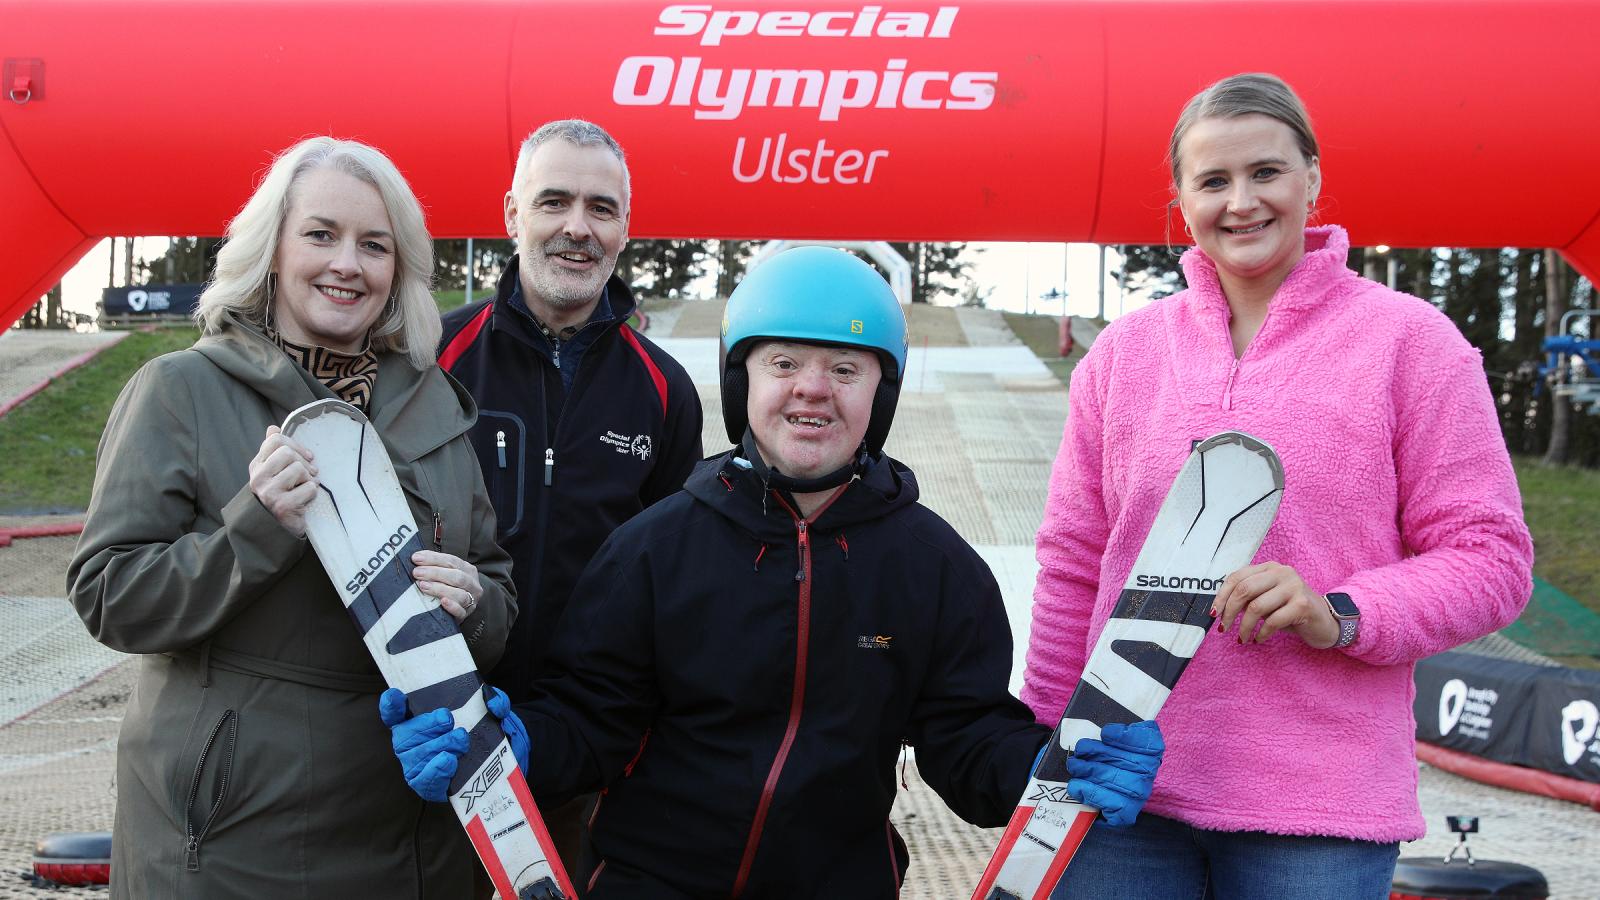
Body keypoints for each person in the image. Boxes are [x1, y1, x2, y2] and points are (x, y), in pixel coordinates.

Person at [384, 247, 1167, 898]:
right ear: (742, 383)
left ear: (881, 393)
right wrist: (511, 745)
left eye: (846, 368)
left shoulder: (934, 567)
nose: (812, 390)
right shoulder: (654, 549)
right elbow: (592, 720)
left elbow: (964, 742)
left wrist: (1044, 769)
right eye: (783, 362)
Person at [1024, 72, 1535, 899]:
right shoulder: (1124, 355)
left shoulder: (1411, 342)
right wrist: (1044, 742)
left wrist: (1338, 614)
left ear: (1313, 177)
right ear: (1181, 198)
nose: (1242, 202)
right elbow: (1074, 561)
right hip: (1119, 795)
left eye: (1266, 172)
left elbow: (1492, 559)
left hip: (1316, 818)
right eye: (1213, 181)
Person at [67, 137, 516, 899]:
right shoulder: (180, 390)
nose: (348, 263)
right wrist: (258, 526)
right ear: (271, 250)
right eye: (320, 234)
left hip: (413, 829)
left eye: (375, 245)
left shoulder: (433, 406)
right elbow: (111, 597)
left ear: (398, 270)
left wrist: (470, 606)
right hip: (243, 835)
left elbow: (497, 590)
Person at [435, 118, 702, 862]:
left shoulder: (665, 391)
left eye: (601, 208)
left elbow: (678, 588)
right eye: (553, 202)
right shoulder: (431, 361)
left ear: (626, 228)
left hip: (587, 755)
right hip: (433, 734)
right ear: (512, 215)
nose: (577, 229)